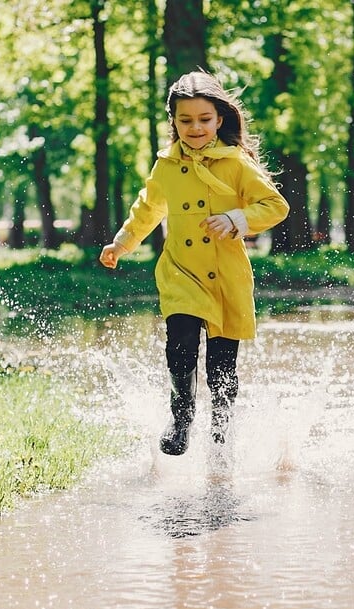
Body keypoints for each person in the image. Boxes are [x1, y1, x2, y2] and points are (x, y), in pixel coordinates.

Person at [99, 71, 289, 456]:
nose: (195, 128)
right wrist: (121, 244)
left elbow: (275, 206)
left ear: (219, 119)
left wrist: (236, 219)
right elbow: (148, 208)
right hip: (181, 271)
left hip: (226, 277)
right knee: (180, 346)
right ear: (174, 122)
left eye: (204, 119)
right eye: (185, 120)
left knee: (222, 368)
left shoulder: (237, 163)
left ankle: (221, 436)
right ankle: (181, 417)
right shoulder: (166, 166)